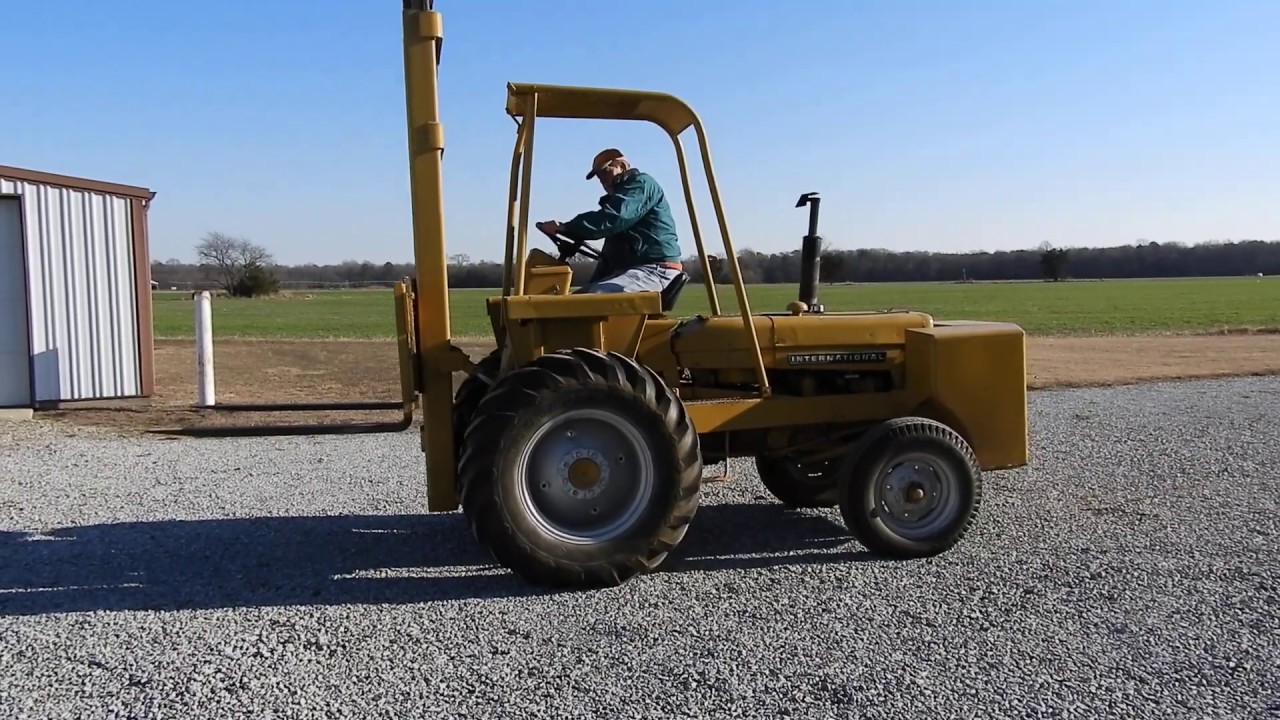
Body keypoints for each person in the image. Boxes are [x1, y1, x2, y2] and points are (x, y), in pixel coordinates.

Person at [536, 148, 684, 294]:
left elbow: (613, 218)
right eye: (598, 175)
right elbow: (610, 253)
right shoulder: (617, 200)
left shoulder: (641, 185)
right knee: (573, 302)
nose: (601, 178)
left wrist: (567, 227)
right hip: (632, 270)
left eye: (606, 171)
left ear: (622, 166)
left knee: (596, 295)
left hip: (655, 269)